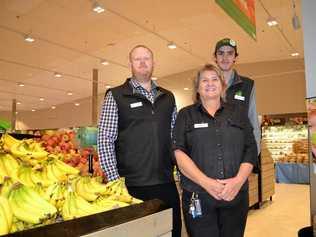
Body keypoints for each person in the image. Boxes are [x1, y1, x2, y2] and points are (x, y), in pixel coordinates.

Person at [97, 45, 181, 237]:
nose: (143, 62)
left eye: (147, 58)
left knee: (171, 232)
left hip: (165, 182)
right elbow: (105, 139)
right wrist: (115, 182)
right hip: (131, 187)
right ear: (130, 64)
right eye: (138, 59)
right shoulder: (116, 96)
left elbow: (175, 139)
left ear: (153, 63)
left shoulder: (168, 97)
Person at [173, 64, 258, 237]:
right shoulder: (185, 115)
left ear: (222, 85)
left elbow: (250, 148)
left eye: (214, 79)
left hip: (235, 195)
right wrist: (206, 182)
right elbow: (178, 152)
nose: (210, 83)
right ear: (197, 87)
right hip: (199, 196)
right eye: (204, 80)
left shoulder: (238, 113)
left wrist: (238, 181)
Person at [213, 38, 261, 154]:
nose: (225, 58)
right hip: (213, 151)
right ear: (215, 57)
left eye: (230, 53)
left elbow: (253, 120)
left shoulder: (248, 85)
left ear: (235, 57)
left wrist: (254, 153)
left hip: (240, 152)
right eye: (221, 53)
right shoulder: (208, 84)